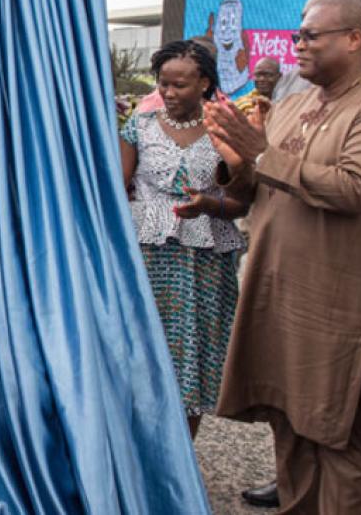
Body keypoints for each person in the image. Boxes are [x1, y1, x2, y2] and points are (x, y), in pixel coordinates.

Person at [204, 0, 361, 513]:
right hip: (279, 299)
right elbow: (256, 188)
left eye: (309, 36)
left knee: (342, 444)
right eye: (295, 35)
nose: (297, 45)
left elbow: (352, 189)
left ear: (353, 39)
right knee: (293, 436)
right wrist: (234, 165)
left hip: (340, 311)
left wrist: (260, 153)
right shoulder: (293, 104)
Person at [118, 40, 247, 438]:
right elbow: (118, 186)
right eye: (163, 84)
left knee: (194, 357)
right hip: (147, 259)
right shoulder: (138, 127)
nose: (169, 93)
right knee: (141, 354)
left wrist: (209, 203)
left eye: (180, 85)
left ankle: (182, 459)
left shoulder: (224, 129)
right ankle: (140, 452)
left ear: (205, 83)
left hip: (203, 263)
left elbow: (242, 201)